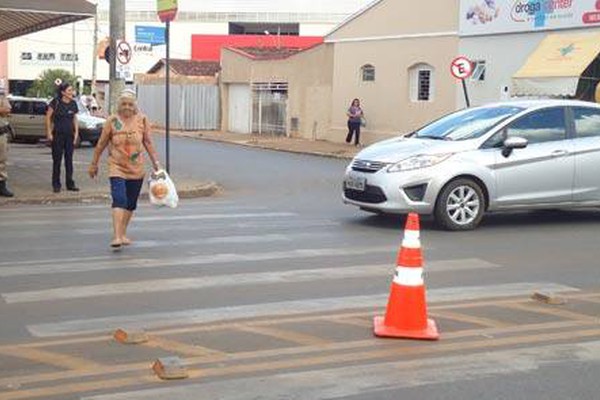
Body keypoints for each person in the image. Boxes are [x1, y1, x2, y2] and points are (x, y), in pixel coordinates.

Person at [88, 90, 161, 249]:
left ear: (135, 105)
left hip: (136, 168)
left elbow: (148, 142)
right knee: (119, 198)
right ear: (119, 105)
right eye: (124, 104)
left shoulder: (142, 120)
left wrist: (156, 163)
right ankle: (116, 236)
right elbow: (101, 143)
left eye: (130, 104)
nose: (127, 107)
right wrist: (94, 164)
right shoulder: (112, 121)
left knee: (130, 203)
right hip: (117, 167)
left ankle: (122, 233)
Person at [46, 82, 80, 193]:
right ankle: (56, 184)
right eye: (69, 90)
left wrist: (76, 134)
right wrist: (49, 133)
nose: (72, 92)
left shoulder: (73, 103)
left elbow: (75, 119)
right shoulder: (55, 102)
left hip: (69, 136)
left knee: (69, 161)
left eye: (72, 90)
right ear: (63, 92)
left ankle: (70, 183)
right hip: (58, 135)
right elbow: (48, 118)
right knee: (57, 160)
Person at [0, 89, 14, 197]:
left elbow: (7, 109)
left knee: (2, 160)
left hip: (1, 133)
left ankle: (2, 186)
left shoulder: (1, 96)